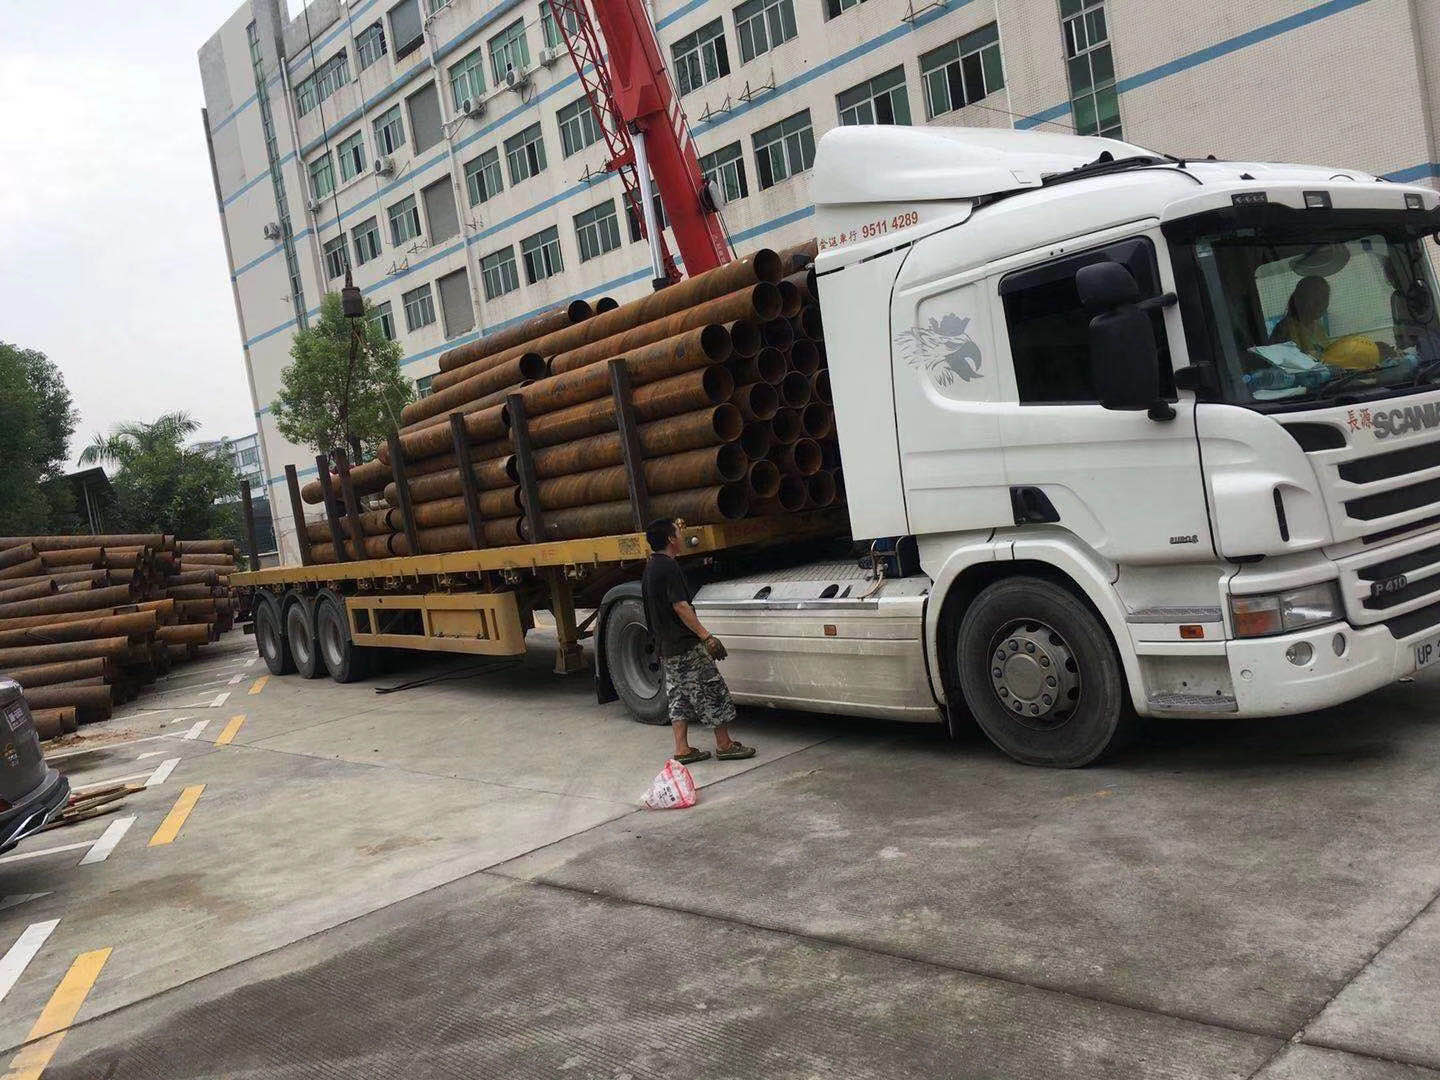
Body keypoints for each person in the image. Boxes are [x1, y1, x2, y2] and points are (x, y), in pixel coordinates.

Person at [641, 517, 755, 765]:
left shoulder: (651, 567)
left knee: (679, 696)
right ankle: (724, 745)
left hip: (667, 646)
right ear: (671, 539)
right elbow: (680, 606)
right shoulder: (669, 567)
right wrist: (707, 636)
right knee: (711, 689)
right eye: (678, 533)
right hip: (684, 645)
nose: (681, 537)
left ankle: (682, 749)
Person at [1269, 275, 1331, 357]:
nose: (1321, 303)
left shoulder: (1319, 328)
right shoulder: (1285, 330)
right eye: (1315, 298)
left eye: (1325, 297)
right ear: (1300, 300)